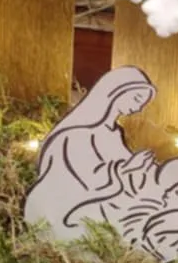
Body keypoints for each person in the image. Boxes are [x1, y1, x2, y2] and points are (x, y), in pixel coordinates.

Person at [23, 66, 158, 241]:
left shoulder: (114, 133)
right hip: (69, 212)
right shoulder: (77, 133)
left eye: (143, 103)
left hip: (105, 205)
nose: (139, 108)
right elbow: (84, 178)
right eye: (137, 98)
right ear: (117, 92)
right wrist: (126, 169)